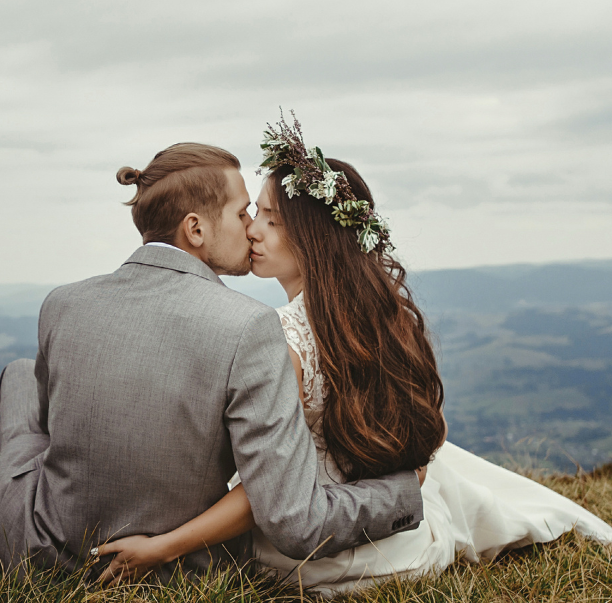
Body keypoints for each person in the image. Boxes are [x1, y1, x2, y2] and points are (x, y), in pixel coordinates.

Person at [94, 115, 612, 596]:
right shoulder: (373, 317)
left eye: (269, 220)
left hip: (318, 554)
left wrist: (163, 546)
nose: (251, 228)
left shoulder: (280, 338)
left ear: (312, 240)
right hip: (395, 540)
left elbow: (265, 494)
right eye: (252, 213)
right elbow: (425, 431)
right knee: (443, 470)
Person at [0, 142, 426, 584]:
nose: (251, 228)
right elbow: (289, 509)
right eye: (243, 214)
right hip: (180, 573)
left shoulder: (62, 304)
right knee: (26, 377)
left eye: (262, 217)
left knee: (22, 379)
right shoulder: (248, 325)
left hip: (38, 550)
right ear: (195, 230)